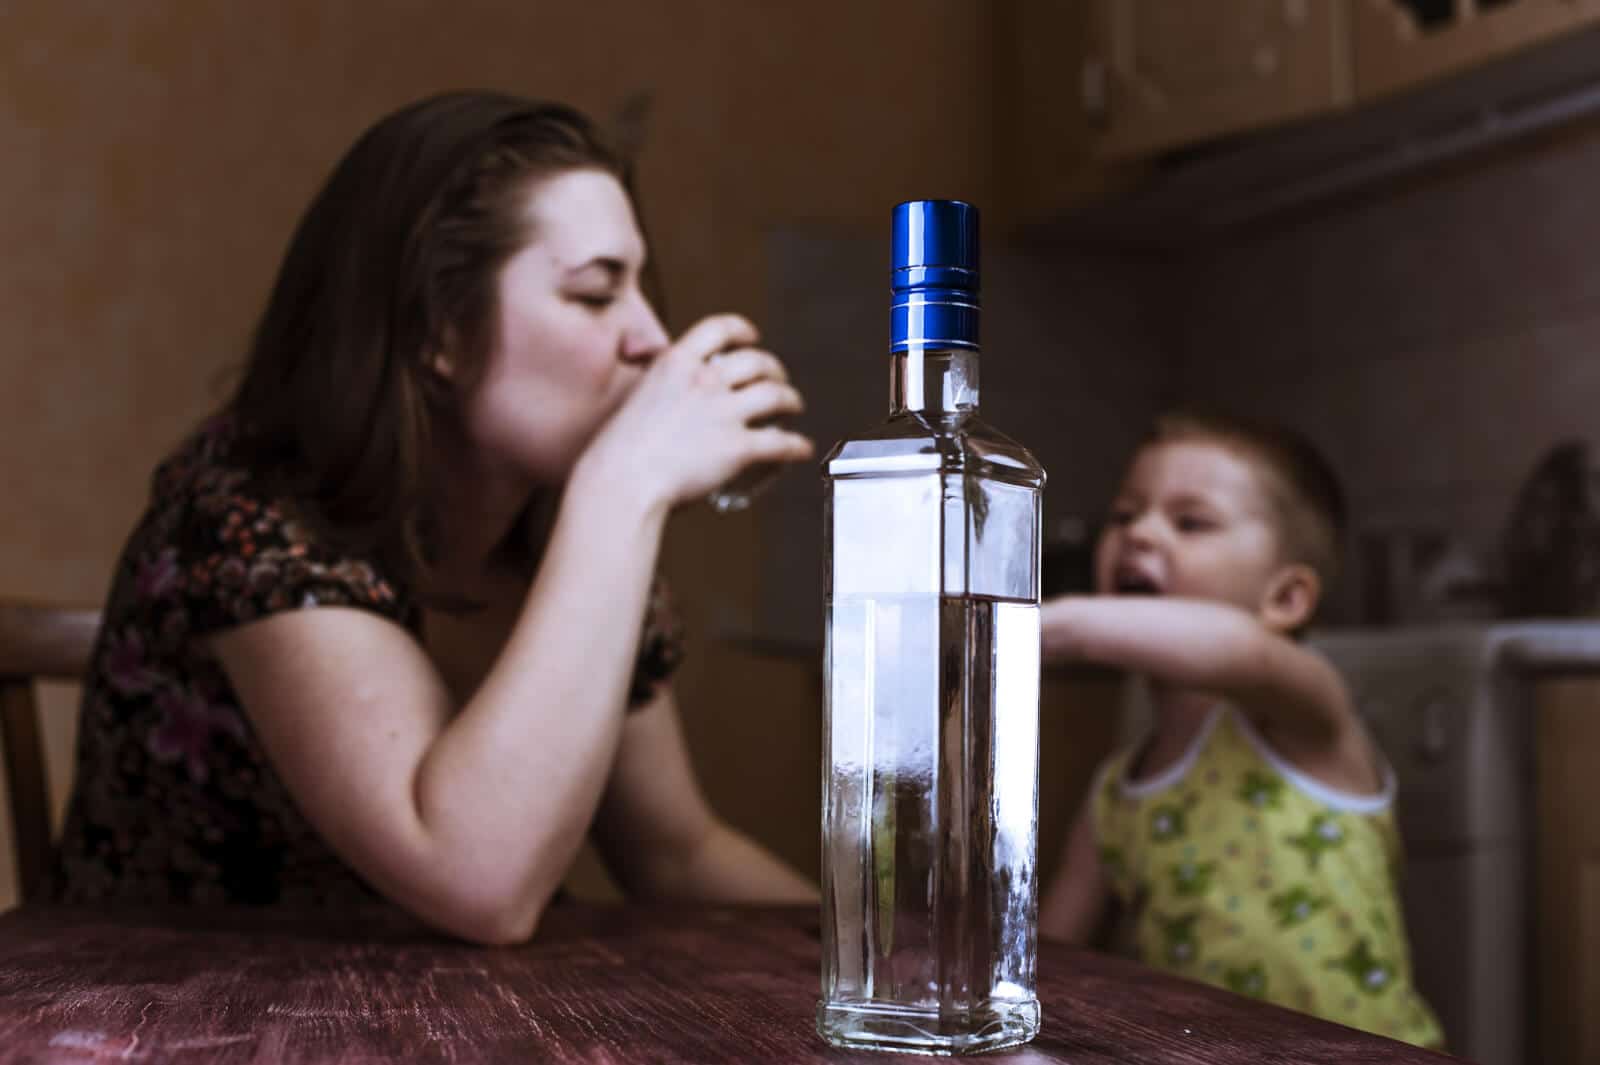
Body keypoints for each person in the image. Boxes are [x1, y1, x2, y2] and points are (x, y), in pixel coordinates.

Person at [48, 91, 818, 942]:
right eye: (598, 294)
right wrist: (622, 487)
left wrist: (901, 946)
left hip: (460, 1014)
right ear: (437, 330)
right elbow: (475, 878)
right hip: (181, 1013)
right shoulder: (248, 511)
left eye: (642, 289)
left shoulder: (564, 532)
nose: (653, 337)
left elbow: (675, 852)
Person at [1038, 409, 1443, 1049]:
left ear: (1284, 601)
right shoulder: (1115, 790)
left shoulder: (1305, 711)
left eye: (1189, 521)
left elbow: (1235, 648)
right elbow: (1050, 962)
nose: (1139, 533)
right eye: (1124, 515)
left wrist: (1046, 626)